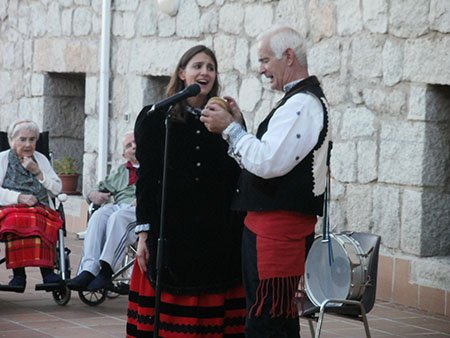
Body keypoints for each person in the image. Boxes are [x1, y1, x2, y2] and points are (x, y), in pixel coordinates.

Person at [200, 26, 331, 337]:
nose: (261, 69)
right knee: (275, 319)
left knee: (266, 322)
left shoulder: (302, 104)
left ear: (288, 57)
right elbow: (268, 156)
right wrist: (239, 125)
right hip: (272, 228)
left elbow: (267, 163)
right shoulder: (297, 100)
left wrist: (230, 129)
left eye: (264, 60)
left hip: (278, 232)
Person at [127, 45, 246, 337]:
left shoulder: (224, 120)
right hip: (172, 231)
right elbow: (147, 178)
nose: (204, 72)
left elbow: (239, 172)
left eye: (210, 67)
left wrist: (238, 124)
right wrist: (144, 233)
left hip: (216, 233)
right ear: (182, 73)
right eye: (197, 66)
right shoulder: (157, 117)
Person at [67, 131, 139, 291]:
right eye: (129, 145)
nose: (134, 147)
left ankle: (106, 272)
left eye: (136, 142)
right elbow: (94, 191)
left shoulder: (154, 166)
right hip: (120, 207)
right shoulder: (120, 172)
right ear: (124, 153)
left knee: (118, 217)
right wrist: (94, 195)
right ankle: (89, 270)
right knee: (100, 215)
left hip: (142, 209)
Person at [0, 120, 63, 292]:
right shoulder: (3, 159)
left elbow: (57, 189)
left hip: (40, 206)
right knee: (16, 220)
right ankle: (19, 275)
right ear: (12, 140)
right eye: (22, 139)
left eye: (32, 139)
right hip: (11, 207)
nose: (28, 144)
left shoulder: (41, 159)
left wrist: (37, 172)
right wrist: (18, 197)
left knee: (40, 219)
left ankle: (47, 272)